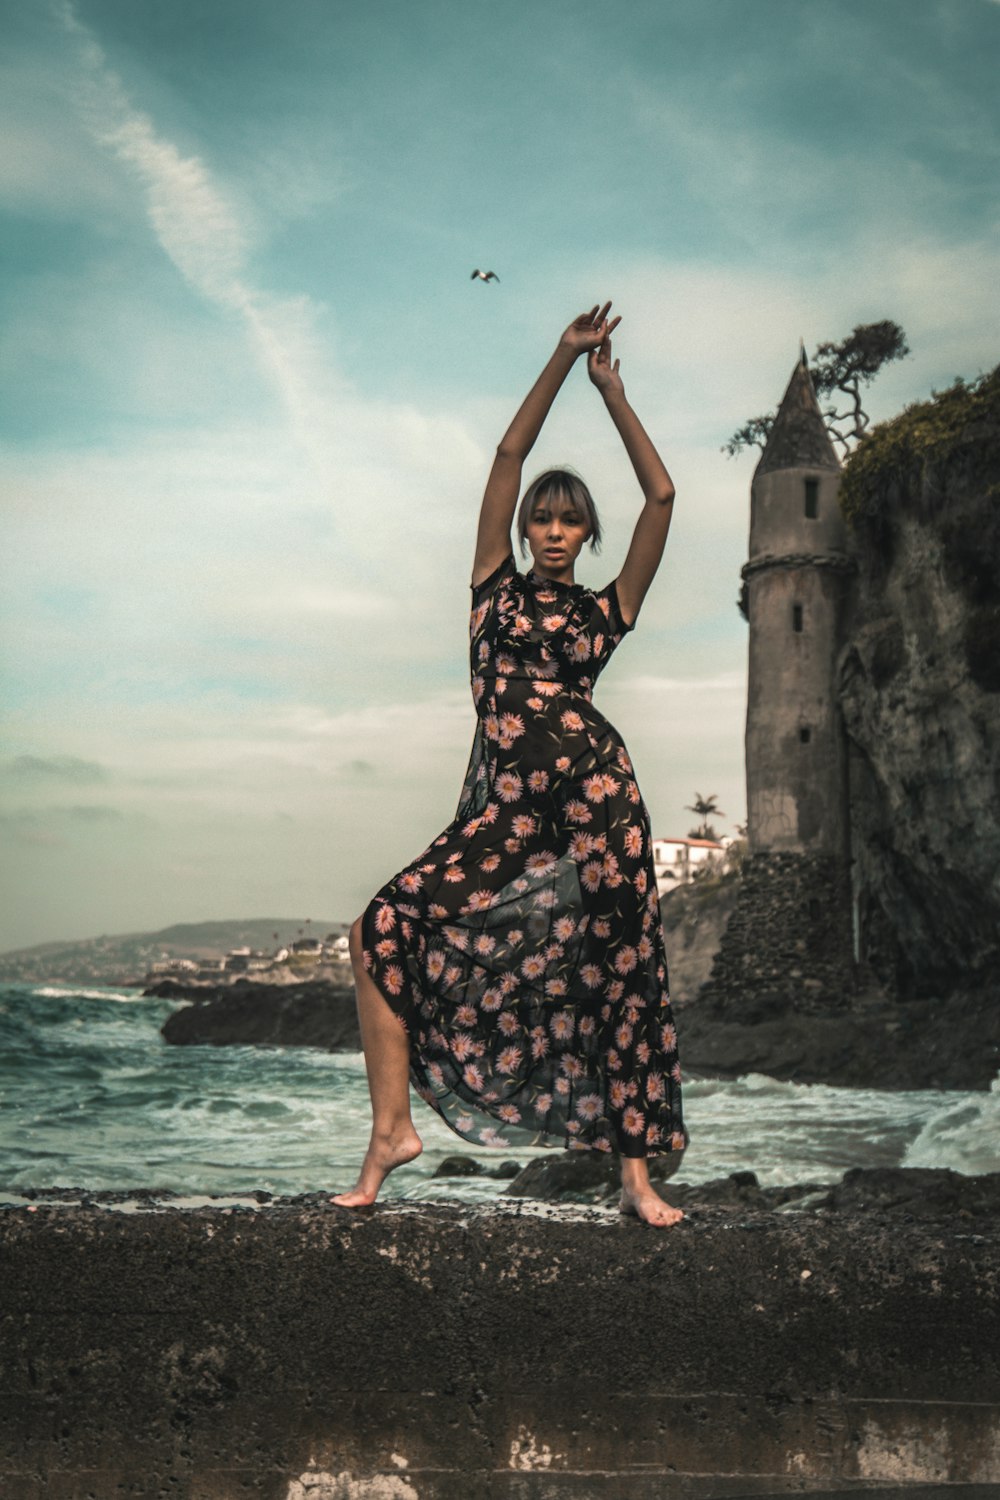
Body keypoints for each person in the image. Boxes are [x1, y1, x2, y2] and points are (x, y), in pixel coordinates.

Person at [332, 302, 688, 1227]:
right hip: (509, 821)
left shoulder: (602, 615)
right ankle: (389, 1134)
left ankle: (637, 1179)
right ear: (526, 529)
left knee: (623, 976)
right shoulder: (492, 592)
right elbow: (504, 457)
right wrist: (564, 360)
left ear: (586, 536)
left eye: (572, 522)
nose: (556, 531)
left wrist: (614, 396)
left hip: (601, 807)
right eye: (545, 517)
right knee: (380, 928)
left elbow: (662, 499)